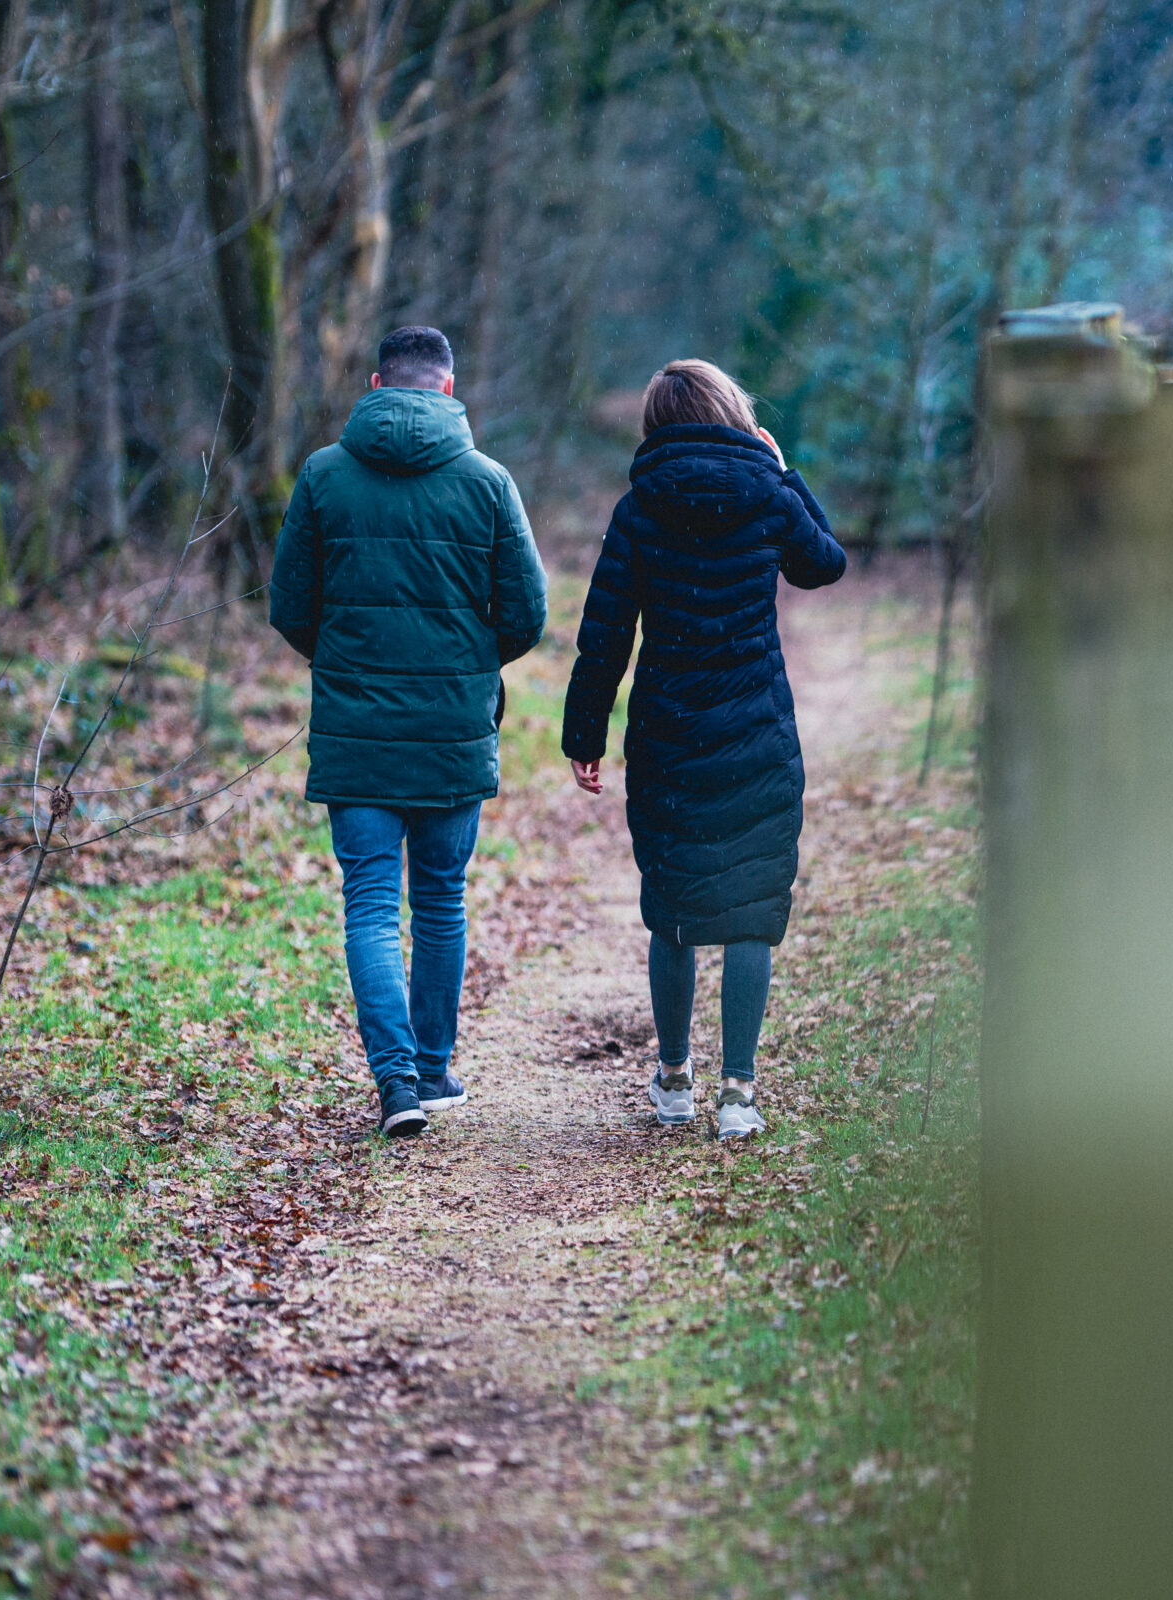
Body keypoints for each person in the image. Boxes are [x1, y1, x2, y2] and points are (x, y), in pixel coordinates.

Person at [269, 326, 548, 1138]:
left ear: (375, 383)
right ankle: (431, 1070)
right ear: (448, 388)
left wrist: (348, 663)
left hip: (354, 728)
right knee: (440, 901)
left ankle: (395, 1085)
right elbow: (527, 615)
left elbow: (288, 606)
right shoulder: (488, 482)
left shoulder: (323, 475)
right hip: (451, 730)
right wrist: (465, 666)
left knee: (369, 906)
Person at [560, 359, 846, 1139]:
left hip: (668, 732)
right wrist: (786, 474)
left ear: (656, 423)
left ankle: (674, 1079)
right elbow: (825, 563)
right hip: (756, 729)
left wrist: (584, 734)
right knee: (752, 910)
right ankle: (739, 1095)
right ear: (732, 413)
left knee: (674, 908)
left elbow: (605, 632)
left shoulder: (639, 506)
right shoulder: (768, 495)